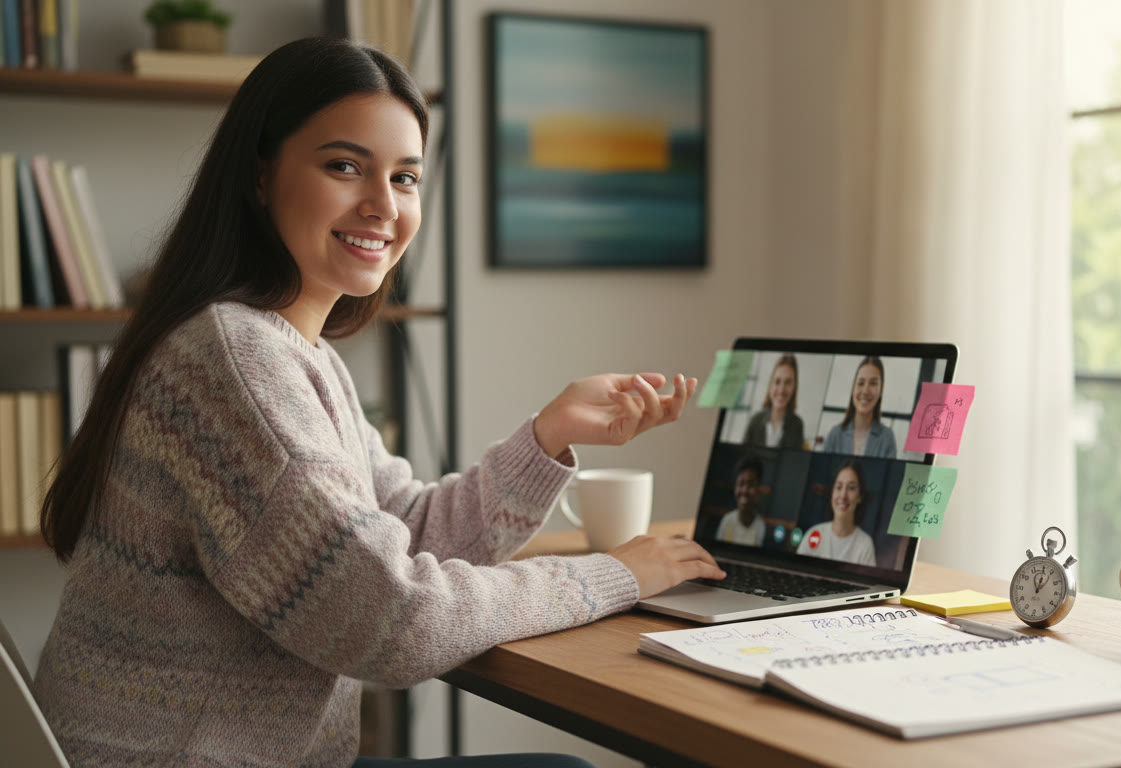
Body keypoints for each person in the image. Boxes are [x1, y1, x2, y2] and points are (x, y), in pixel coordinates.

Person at [31, 38, 723, 768]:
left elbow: (409, 531)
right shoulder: (235, 362)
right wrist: (618, 576)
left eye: (406, 177)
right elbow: (397, 621)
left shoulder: (294, 352)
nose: (383, 206)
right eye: (345, 166)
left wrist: (548, 437)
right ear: (260, 175)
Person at [795, 460, 878, 566]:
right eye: (839, 487)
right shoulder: (814, 533)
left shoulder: (865, 544)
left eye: (851, 488)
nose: (843, 495)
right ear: (832, 492)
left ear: (860, 496)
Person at [820, 356, 898, 457]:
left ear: (881, 390)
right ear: (853, 388)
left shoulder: (887, 437)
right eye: (860, 383)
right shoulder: (835, 434)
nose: (865, 391)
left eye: (873, 383)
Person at [742, 353, 806, 449]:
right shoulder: (755, 421)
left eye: (788, 382)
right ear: (770, 385)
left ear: (794, 388)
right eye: (777, 382)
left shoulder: (797, 425)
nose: (781, 390)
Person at [715, 454, 767, 546]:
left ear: (758, 491)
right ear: (735, 487)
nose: (744, 491)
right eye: (741, 484)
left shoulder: (761, 527)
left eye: (750, 485)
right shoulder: (727, 521)